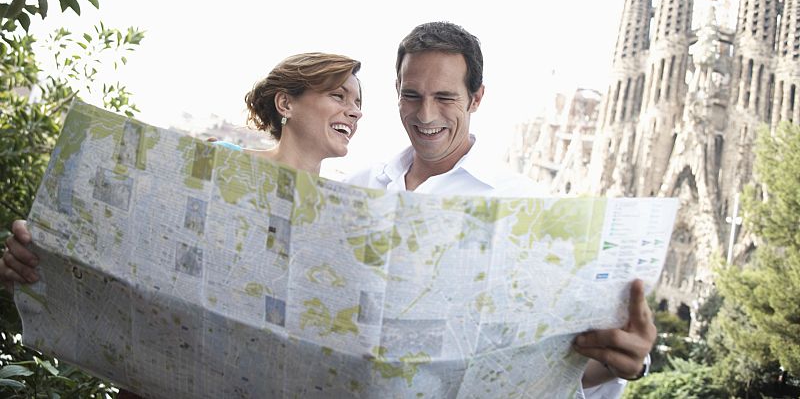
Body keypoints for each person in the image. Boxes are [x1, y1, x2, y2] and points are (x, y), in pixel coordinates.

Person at [0, 51, 363, 398]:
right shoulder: (215, 163)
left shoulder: (343, 223)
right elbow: (122, 246)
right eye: (339, 95)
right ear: (285, 103)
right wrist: (38, 248)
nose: (355, 111)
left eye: (359, 103)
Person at [345, 21, 656, 397]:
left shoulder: (529, 207)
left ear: (476, 98)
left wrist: (620, 362)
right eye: (412, 95)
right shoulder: (357, 187)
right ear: (396, 90)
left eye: (445, 98)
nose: (425, 115)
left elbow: (556, 364)